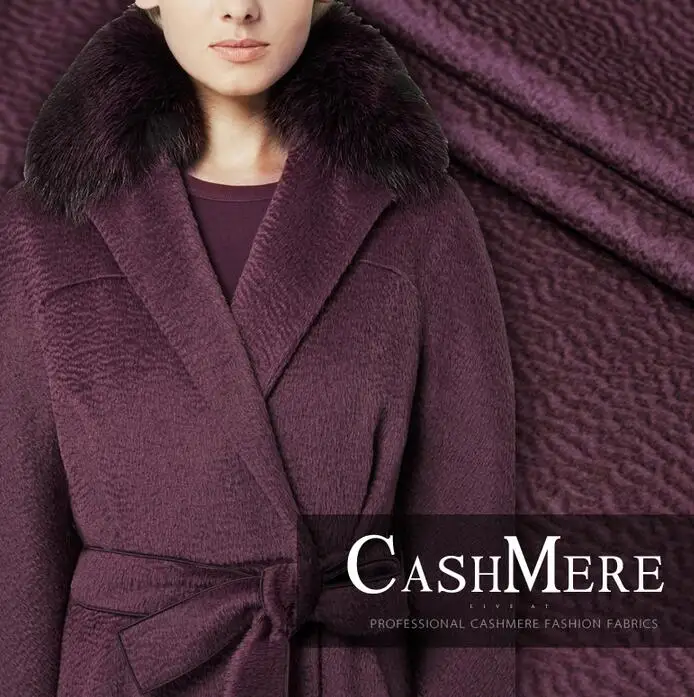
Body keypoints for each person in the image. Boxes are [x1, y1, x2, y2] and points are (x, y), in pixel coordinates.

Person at [0, 1, 516, 695]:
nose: (239, 9)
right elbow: (16, 538)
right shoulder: (43, 228)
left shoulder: (420, 219)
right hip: (128, 670)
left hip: (338, 672)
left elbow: (470, 532)